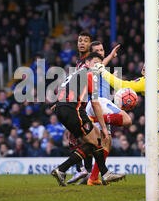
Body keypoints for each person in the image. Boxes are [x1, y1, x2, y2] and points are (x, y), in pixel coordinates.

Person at [51, 52, 126, 186]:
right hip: (73, 109)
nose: (97, 66)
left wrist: (59, 104)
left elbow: (64, 90)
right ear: (87, 63)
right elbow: (96, 104)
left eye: (100, 64)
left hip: (61, 108)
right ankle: (63, 169)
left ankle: (102, 173)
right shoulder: (90, 75)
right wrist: (104, 127)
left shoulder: (76, 73)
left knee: (94, 141)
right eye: (95, 63)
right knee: (96, 139)